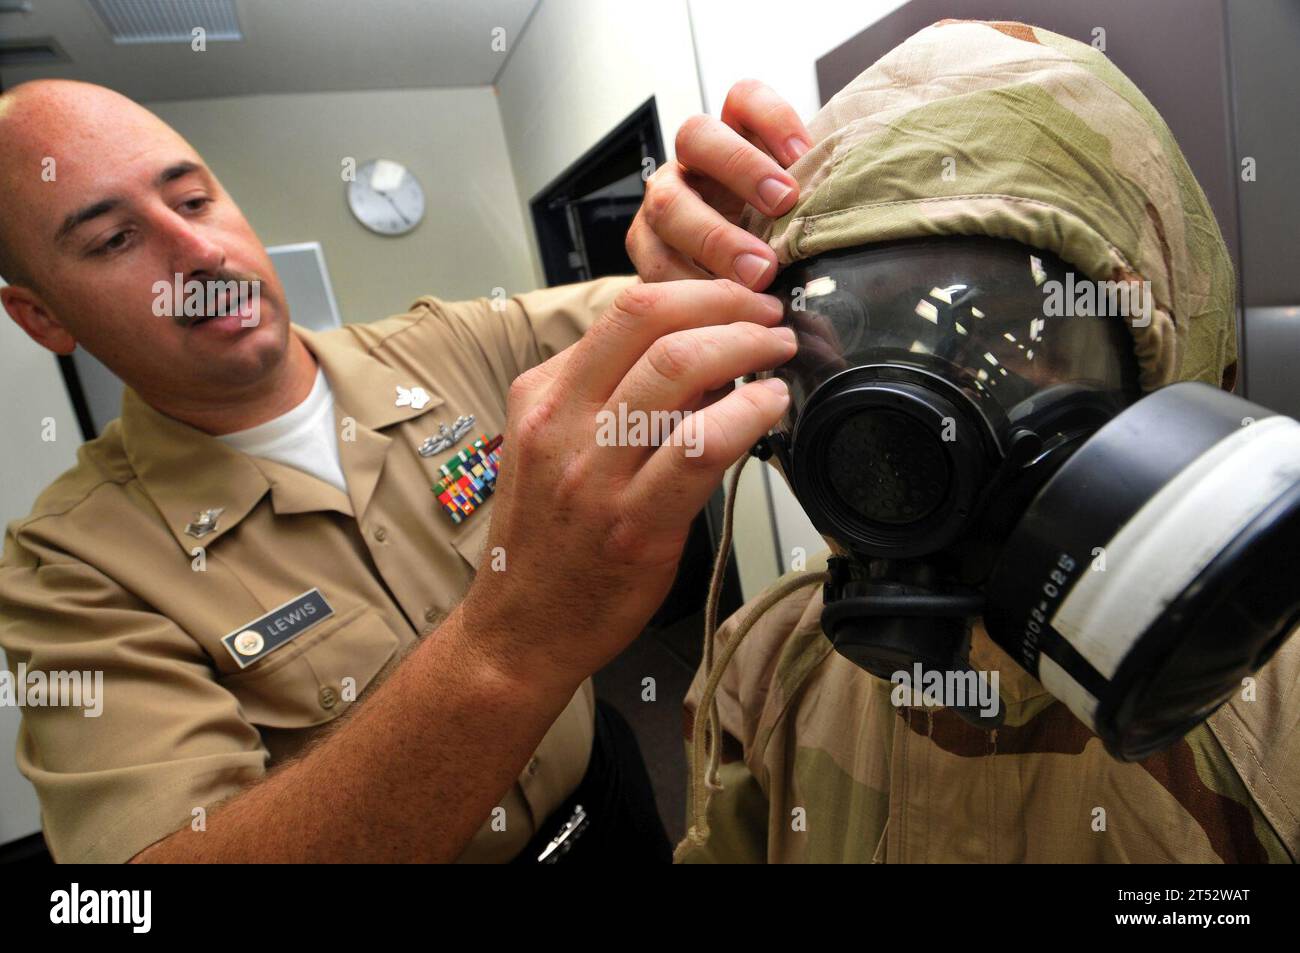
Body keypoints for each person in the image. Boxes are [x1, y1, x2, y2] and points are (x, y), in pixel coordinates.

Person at [0, 78, 803, 863]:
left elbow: (686, 312)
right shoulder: (68, 573)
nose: (198, 253)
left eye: (192, 199)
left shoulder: (447, 344)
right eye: (113, 239)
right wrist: (516, 641)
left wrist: (732, 234)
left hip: (611, 800)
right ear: (43, 317)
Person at [636, 19, 1300, 863]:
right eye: (860, 333)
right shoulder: (763, 666)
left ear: (1165, 376)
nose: (919, 427)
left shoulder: (1281, 724)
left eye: (1025, 338)